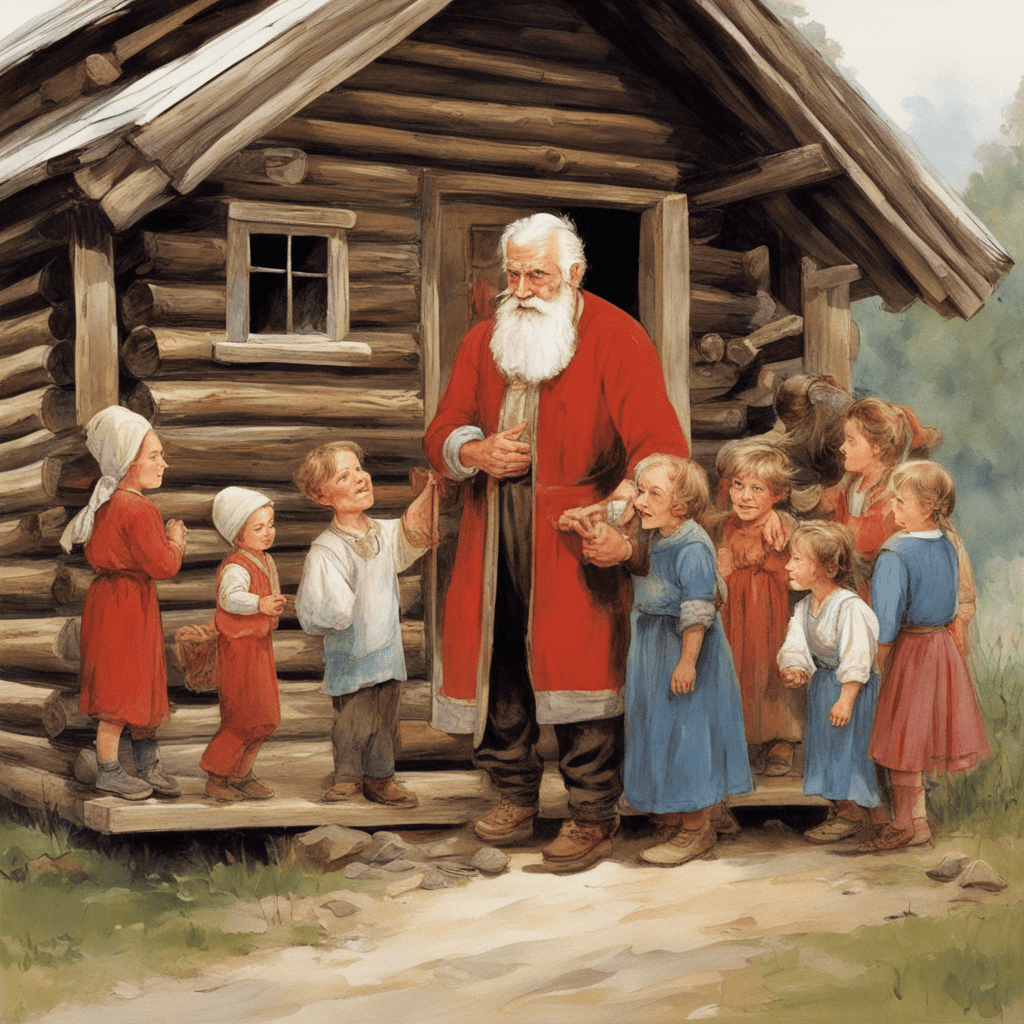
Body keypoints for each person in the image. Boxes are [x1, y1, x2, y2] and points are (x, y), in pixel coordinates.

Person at [423, 212, 688, 872]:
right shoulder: (484, 339)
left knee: (579, 671)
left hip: (576, 531)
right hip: (493, 530)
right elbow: (445, 426)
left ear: (573, 273)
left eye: (535, 274)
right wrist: (474, 450)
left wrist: (618, 511)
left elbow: (659, 445)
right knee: (500, 660)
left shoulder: (617, 337)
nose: (520, 287)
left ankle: (592, 811)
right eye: (511, 274)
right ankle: (513, 794)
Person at [622, 455, 751, 866]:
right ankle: (676, 813)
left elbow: (697, 607)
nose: (641, 501)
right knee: (658, 729)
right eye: (641, 490)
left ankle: (696, 828)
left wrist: (687, 661)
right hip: (651, 646)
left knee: (688, 735)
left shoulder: (693, 545)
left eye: (652, 494)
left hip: (684, 647)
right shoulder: (656, 533)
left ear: (680, 506)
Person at [295, 441, 438, 807]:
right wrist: (336, 605)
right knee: (355, 719)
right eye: (345, 476)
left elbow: (411, 535)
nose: (360, 479)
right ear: (321, 495)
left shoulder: (383, 533)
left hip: (385, 650)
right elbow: (318, 608)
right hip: (352, 653)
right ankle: (347, 777)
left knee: (386, 718)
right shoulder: (327, 549)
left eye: (359, 469)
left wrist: (431, 491)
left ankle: (381, 778)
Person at [860, 461, 990, 852]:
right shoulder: (949, 543)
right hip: (942, 650)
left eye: (901, 502)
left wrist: (875, 662)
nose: (892, 509)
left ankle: (904, 822)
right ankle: (918, 823)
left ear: (929, 507)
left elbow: (885, 621)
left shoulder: (895, 553)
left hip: (911, 651)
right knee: (915, 740)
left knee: (903, 741)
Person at [60, 406, 187, 800]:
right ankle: (111, 770)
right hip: (128, 607)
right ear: (128, 461)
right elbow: (163, 565)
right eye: (153, 456)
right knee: (123, 689)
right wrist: (176, 542)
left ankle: (147, 766)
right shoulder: (139, 509)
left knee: (135, 684)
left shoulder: (107, 504)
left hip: (110, 603)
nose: (163, 463)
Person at [778, 522, 882, 843]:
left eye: (798, 560)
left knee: (847, 751)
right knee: (825, 749)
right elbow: (796, 644)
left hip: (852, 690)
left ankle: (857, 814)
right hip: (823, 687)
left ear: (828, 568)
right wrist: (795, 667)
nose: (787, 565)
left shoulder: (850, 608)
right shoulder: (805, 606)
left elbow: (858, 655)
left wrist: (847, 697)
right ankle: (842, 810)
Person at [713, 439, 802, 777]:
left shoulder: (778, 526)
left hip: (767, 614)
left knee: (767, 670)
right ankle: (738, 738)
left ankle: (779, 740)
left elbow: (797, 548)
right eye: (738, 485)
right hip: (732, 612)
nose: (745, 496)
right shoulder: (728, 524)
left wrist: (782, 523)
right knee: (733, 668)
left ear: (776, 496)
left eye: (756, 488)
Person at [200, 487, 285, 802]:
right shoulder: (237, 564)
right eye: (258, 527)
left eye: (270, 524)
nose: (268, 533)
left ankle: (241, 774)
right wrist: (261, 604)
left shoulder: (261, 559)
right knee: (242, 717)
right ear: (238, 535)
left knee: (265, 716)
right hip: (238, 652)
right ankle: (217, 775)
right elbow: (229, 597)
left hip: (258, 648)